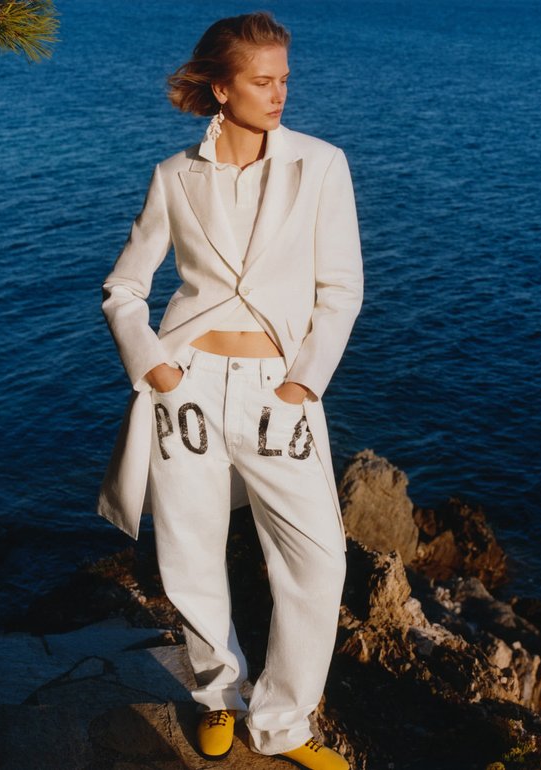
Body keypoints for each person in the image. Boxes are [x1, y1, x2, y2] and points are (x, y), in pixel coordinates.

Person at [97, 12, 363, 770]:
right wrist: (155, 368)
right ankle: (219, 695)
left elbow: (341, 292)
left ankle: (282, 723)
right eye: (262, 80)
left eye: (285, 78)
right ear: (221, 87)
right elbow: (123, 287)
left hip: (280, 392)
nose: (280, 93)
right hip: (187, 389)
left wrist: (300, 386)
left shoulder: (321, 165)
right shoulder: (173, 177)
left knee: (317, 562)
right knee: (189, 556)